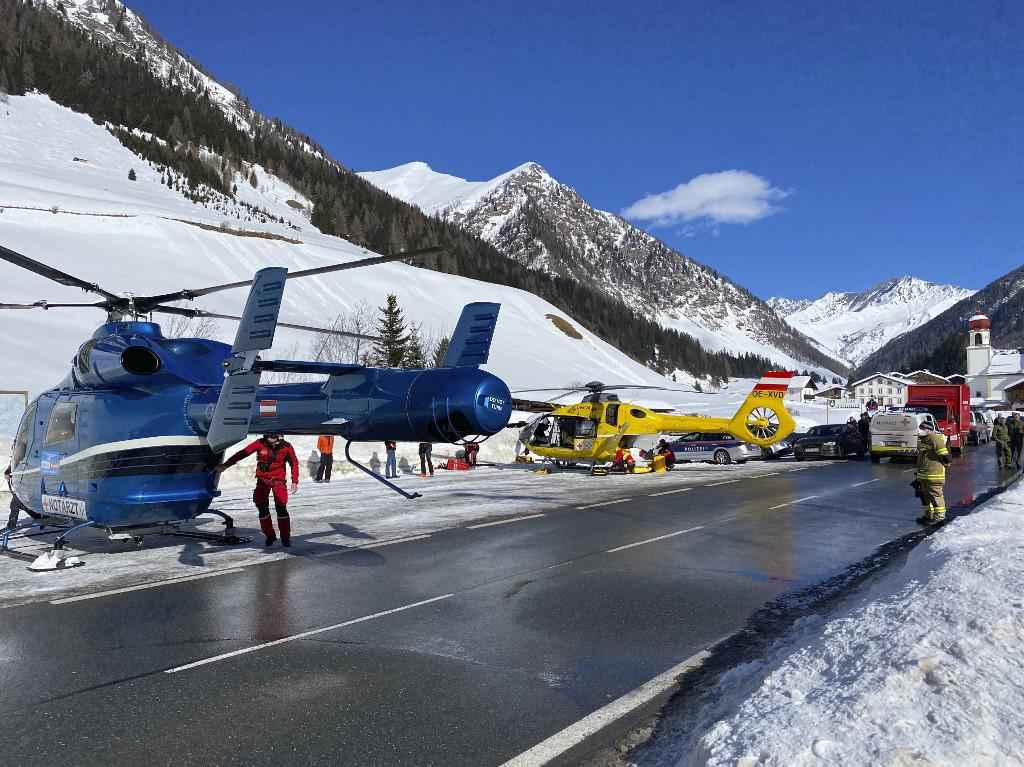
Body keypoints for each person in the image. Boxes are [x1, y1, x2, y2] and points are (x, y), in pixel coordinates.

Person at [215, 433, 299, 546]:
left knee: (281, 508)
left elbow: (294, 463)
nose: (273, 438)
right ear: (266, 436)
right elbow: (242, 454)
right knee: (261, 507)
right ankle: (270, 536)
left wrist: (294, 481)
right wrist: (226, 465)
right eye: (270, 435)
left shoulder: (286, 446)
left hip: (278, 481)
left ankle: (285, 538)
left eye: (275, 436)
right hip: (263, 481)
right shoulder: (259, 444)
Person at [913, 419, 951, 526]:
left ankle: (940, 518)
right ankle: (929, 516)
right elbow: (921, 458)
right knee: (925, 496)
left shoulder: (936, 439)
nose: (920, 431)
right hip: (923, 475)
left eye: (923, 428)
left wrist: (945, 465)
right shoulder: (923, 440)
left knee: (935, 495)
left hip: (934, 474)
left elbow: (945, 457)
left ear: (929, 430)